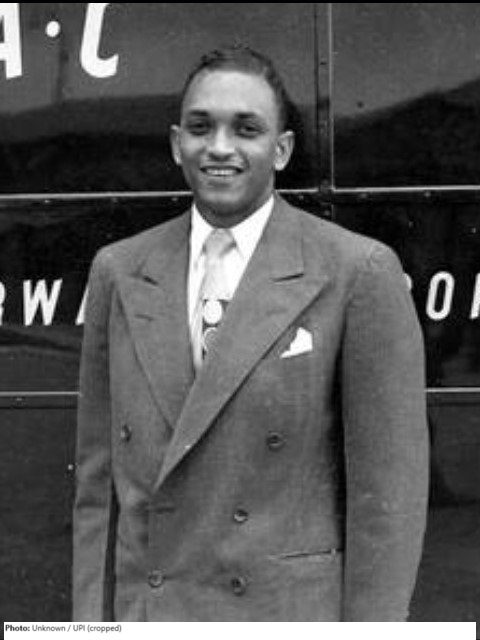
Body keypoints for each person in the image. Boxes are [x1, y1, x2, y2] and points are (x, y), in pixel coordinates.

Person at [72, 44, 429, 622]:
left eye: (246, 129)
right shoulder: (120, 270)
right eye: (200, 127)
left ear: (281, 149)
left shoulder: (355, 271)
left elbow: (388, 500)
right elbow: (97, 490)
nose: (219, 147)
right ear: (176, 144)